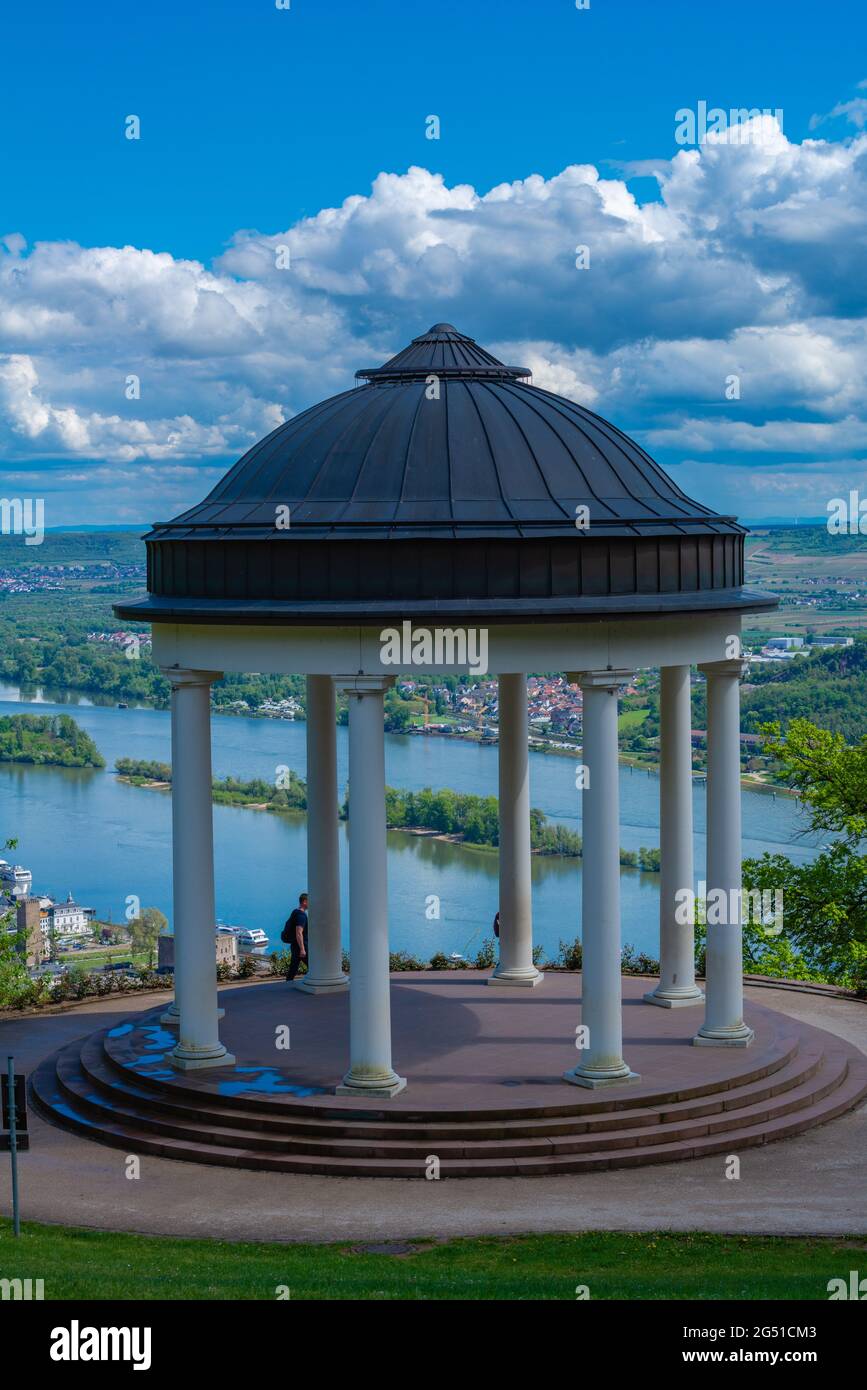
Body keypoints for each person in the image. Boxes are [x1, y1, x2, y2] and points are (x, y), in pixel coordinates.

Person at [282, 892, 309, 981]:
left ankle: (287, 984)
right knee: (315, 966)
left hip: (294, 945)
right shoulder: (301, 916)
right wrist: (302, 949)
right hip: (301, 946)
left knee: (293, 967)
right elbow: (299, 932)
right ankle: (319, 983)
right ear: (304, 902)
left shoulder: (295, 912)